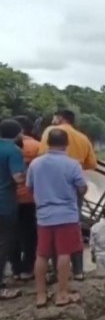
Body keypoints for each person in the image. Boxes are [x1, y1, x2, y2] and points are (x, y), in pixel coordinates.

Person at [27, 129, 87, 308]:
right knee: (64, 253)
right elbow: (82, 188)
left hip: (44, 216)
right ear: (66, 143)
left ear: (48, 143)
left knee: (42, 254)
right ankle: (61, 294)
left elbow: (30, 187)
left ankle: (40, 295)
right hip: (66, 215)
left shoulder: (35, 164)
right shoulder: (72, 164)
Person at [38, 110, 97, 281]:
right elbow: (91, 163)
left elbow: (42, 155)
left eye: (54, 116)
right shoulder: (82, 137)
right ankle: (78, 270)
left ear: (61, 118)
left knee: (51, 229)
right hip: (73, 187)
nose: (52, 119)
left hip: (50, 187)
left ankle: (57, 272)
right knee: (74, 226)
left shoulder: (49, 131)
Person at [11, 116, 40, 281]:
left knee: (10, 235)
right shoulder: (37, 146)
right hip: (30, 198)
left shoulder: (5, 147)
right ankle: (28, 268)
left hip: (9, 198)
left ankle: (15, 269)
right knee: (30, 234)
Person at [0, 120, 26, 300]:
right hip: (4, 205)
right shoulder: (13, 151)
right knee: (3, 245)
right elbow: (18, 178)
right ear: (17, 134)